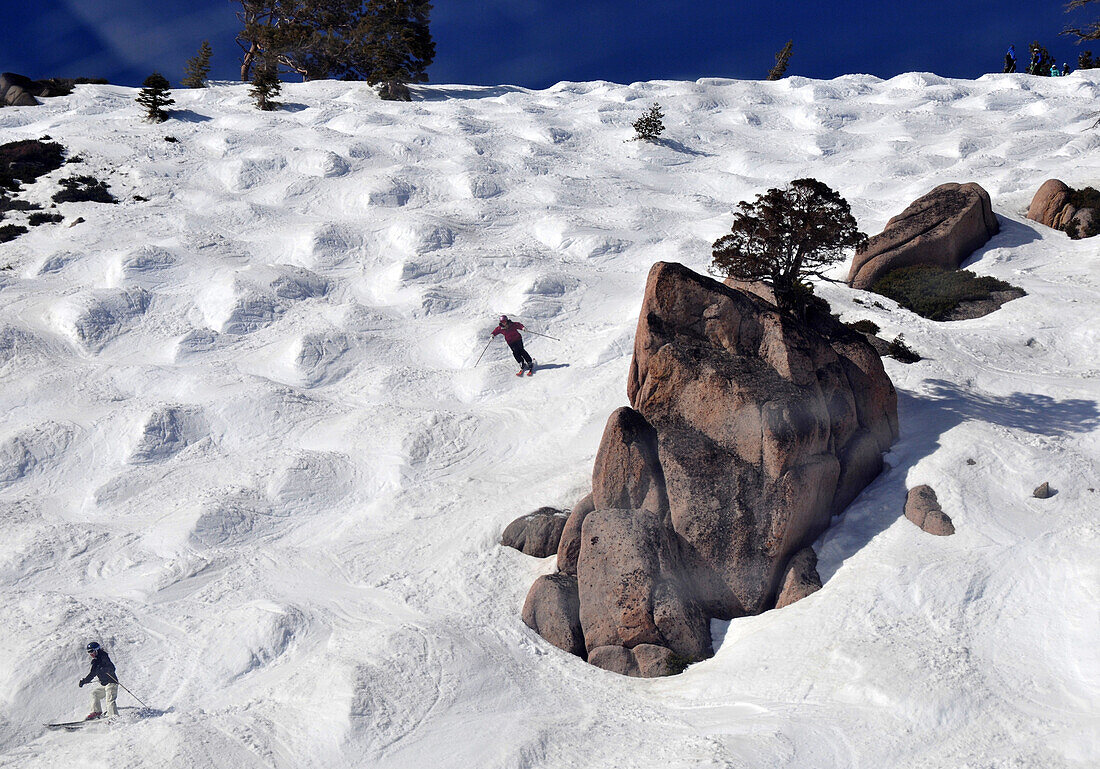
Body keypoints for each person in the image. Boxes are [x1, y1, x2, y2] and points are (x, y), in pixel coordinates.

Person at [79, 642, 119, 719]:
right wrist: (84, 681)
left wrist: (105, 669)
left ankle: (114, 717)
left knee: (109, 700)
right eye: (88, 652)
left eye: (91, 651)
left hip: (111, 683)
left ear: (97, 650)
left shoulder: (104, 657)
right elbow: (92, 674)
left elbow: (112, 668)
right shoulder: (95, 662)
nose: (90, 654)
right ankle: (96, 712)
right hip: (104, 684)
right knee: (94, 693)